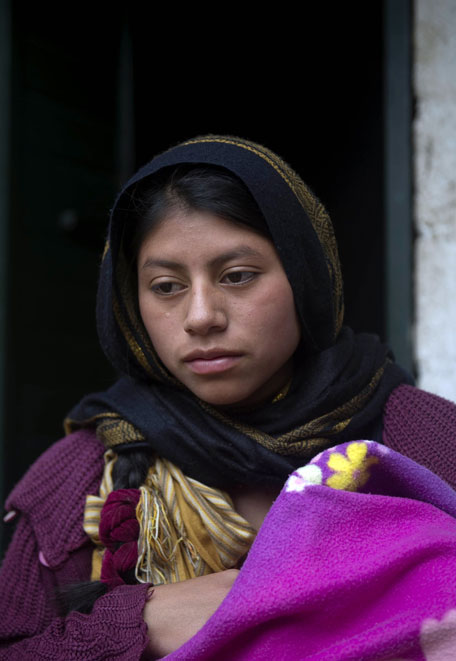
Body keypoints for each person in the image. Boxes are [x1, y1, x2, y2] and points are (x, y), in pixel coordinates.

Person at [2, 134, 456, 660]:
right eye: (167, 286)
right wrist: (136, 621)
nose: (201, 317)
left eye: (238, 277)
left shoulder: (424, 439)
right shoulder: (80, 475)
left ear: (305, 276)